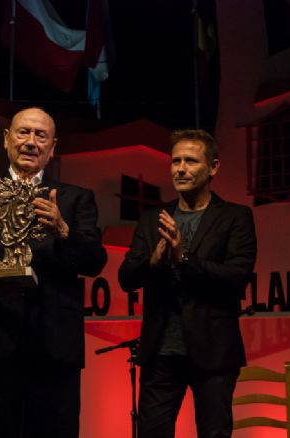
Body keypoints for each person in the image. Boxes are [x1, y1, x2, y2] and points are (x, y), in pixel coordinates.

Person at [0, 107, 107, 438]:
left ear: (53, 147)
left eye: (40, 135)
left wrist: (63, 229)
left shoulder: (75, 200)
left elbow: (94, 261)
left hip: (53, 346)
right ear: (6, 140)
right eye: (23, 133)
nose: (31, 142)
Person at [118, 129, 257, 438]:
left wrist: (183, 259)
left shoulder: (235, 217)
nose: (180, 168)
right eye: (176, 160)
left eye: (191, 161)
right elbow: (126, 278)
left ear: (213, 167)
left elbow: (237, 278)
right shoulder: (153, 217)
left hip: (214, 351)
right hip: (160, 352)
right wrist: (153, 262)